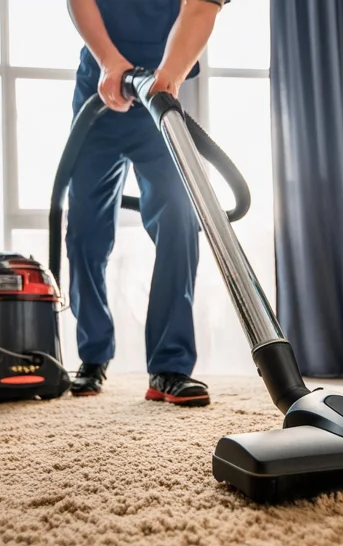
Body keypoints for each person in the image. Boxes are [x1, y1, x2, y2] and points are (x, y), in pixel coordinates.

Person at [64, 0, 229, 407]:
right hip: (99, 91)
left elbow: (201, 9)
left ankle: (169, 367)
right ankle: (93, 355)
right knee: (85, 230)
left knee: (179, 219)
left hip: (160, 94)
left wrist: (168, 75)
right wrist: (109, 63)